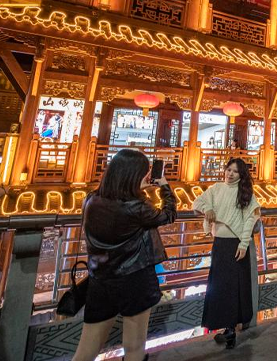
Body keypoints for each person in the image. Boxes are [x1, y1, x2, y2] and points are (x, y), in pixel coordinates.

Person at [73, 149, 177, 361]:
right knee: (134, 347)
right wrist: (164, 185)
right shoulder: (136, 208)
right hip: (134, 279)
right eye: (144, 172)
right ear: (133, 176)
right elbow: (169, 214)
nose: (147, 176)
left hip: (100, 279)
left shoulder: (91, 201)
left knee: (86, 350)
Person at [193, 158, 261, 349]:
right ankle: (227, 329)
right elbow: (197, 202)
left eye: (235, 172)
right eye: (228, 169)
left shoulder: (245, 192)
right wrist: (208, 208)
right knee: (219, 287)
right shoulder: (215, 189)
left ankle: (231, 329)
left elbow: (250, 219)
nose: (230, 174)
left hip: (236, 245)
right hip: (220, 244)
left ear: (242, 175)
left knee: (234, 288)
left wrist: (244, 244)